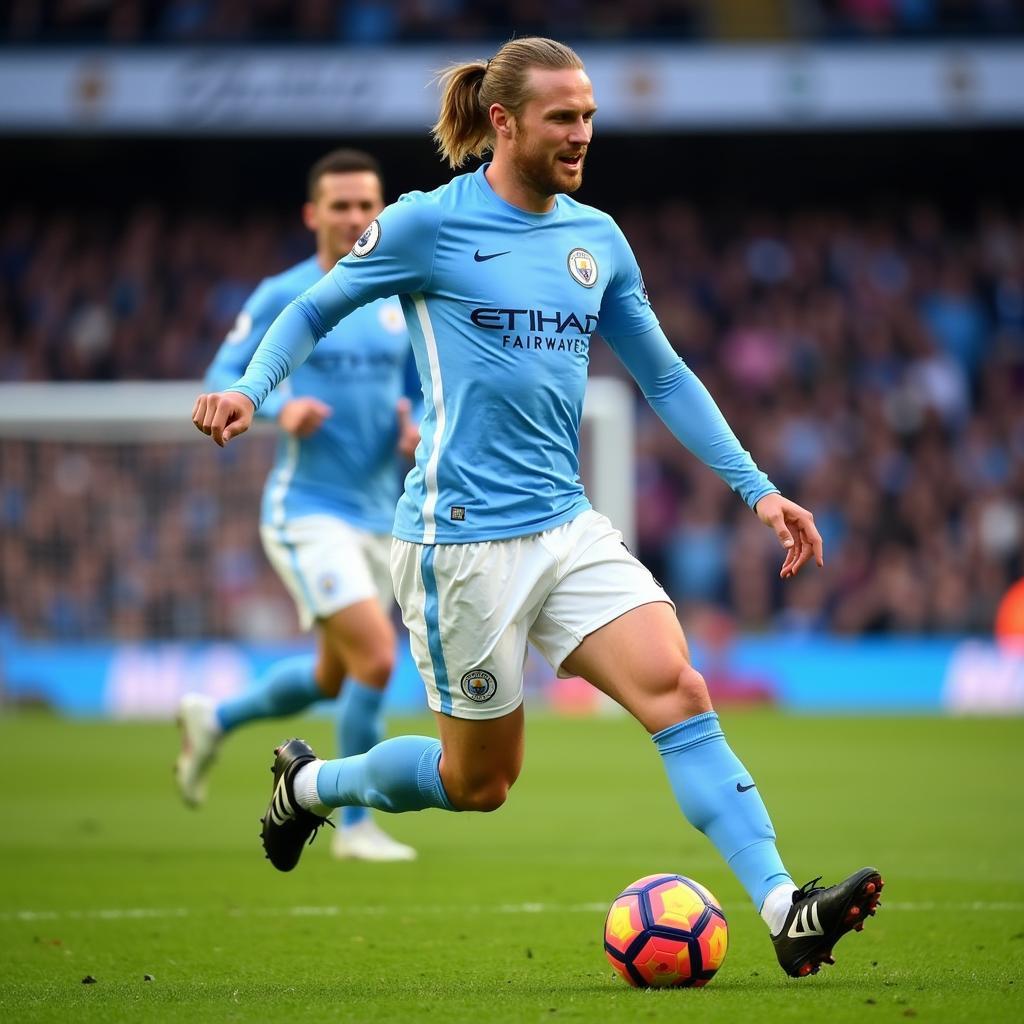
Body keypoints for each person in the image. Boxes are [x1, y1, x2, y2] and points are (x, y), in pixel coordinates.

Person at [191, 38, 883, 977]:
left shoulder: (596, 239)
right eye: (563, 116)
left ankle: (783, 907)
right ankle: (310, 786)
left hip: (565, 524)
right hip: (459, 545)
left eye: (590, 115)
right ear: (503, 122)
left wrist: (758, 491)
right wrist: (254, 389)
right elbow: (316, 307)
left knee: (679, 691)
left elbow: (666, 376)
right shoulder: (426, 225)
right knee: (480, 785)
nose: (582, 133)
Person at [177, 148, 421, 862]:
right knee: (377, 656)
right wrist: (281, 406)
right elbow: (224, 374)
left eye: (366, 206)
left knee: (331, 675)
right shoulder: (284, 292)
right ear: (312, 214)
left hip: (383, 513)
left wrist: (415, 424)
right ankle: (356, 824)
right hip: (308, 508)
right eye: (340, 206)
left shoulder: (396, 299)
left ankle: (215, 719)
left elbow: (421, 387)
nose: (354, 218)